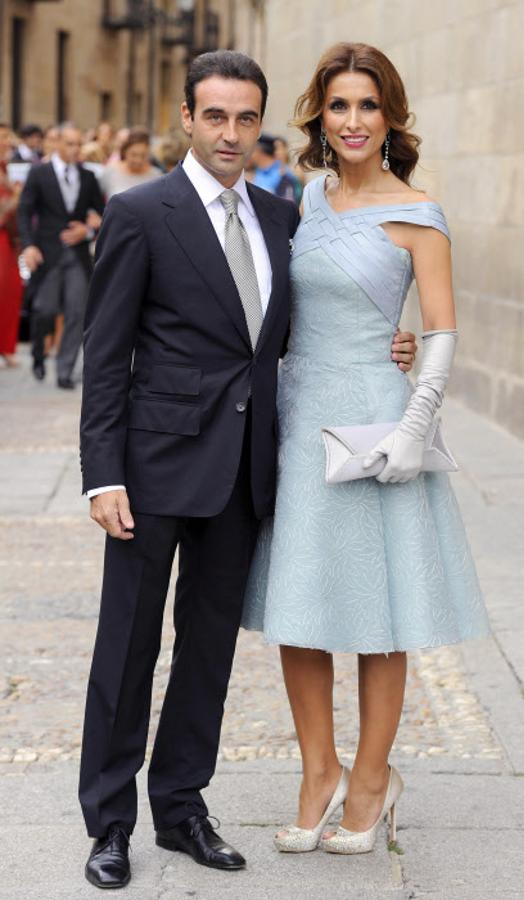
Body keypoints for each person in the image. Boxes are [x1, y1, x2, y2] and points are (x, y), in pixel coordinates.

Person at [78, 47, 419, 889]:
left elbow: (302, 331)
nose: (230, 133)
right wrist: (102, 473)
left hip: (245, 474)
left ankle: (183, 807)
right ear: (186, 119)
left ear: (258, 123)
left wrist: (393, 342)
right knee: (127, 647)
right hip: (152, 471)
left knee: (208, 654)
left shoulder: (280, 219)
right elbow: (105, 353)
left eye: (245, 118)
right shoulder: (141, 212)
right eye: (215, 116)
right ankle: (110, 823)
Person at [242, 42, 490, 855]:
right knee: (300, 607)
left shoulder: (419, 213)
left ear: (391, 118)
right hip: (299, 412)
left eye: (368, 106)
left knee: (382, 616)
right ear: (320, 114)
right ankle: (321, 771)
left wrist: (415, 425)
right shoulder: (304, 202)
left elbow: (444, 333)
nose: (352, 121)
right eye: (339, 105)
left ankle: (377, 777)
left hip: (378, 422)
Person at [17, 122, 105, 387]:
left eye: (79, 144)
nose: (75, 149)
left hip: (77, 256)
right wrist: (29, 246)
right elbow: (25, 212)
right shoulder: (39, 173)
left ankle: (65, 371)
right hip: (47, 254)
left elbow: (101, 215)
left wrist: (87, 231)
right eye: (70, 143)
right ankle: (38, 355)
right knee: (44, 309)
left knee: (77, 312)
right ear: (57, 144)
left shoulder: (88, 177)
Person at [0, 122, 23, 367]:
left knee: (11, 291)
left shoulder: (6, 168)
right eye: (3, 137)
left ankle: (6, 346)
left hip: (8, 239)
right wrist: (16, 197)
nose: (8, 142)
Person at [100, 127, 162, 198]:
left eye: (143, 155)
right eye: (133, 155)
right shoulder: (111, 171)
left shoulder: (156, 175)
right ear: (124, 152)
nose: (138, 160)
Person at [250, 133, 300, 203]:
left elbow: (287, 204)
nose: (248, 154)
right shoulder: (258, 173)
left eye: (251, 150)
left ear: (259, 151)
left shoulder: (284, 174)